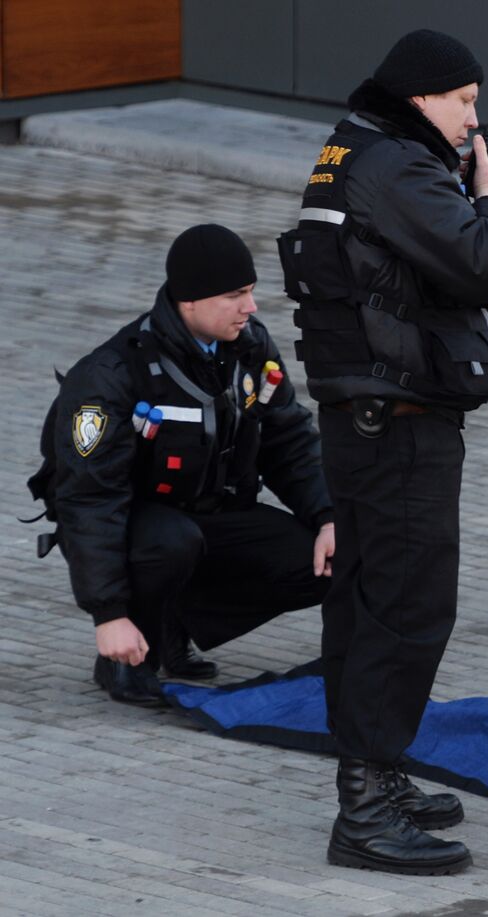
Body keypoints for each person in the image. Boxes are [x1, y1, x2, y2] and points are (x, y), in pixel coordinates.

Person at [278, 28, 488, 875]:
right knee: (409, 606)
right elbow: (479, 261)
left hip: (361, 415)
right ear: (421, 96)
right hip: (401, 420)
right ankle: (367, 807)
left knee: (365, 597)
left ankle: (374, 772)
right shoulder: (398, 166)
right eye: (463, 101)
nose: (473, 118)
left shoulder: (351, 149)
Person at [29, 224, 334, 706]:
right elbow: (89, 499)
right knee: (172, 543)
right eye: (235, 295)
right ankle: (125, 657)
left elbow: (289, 442)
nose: (251, 307)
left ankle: (175, 622)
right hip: (134, 525)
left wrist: (328, 516)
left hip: (210, 514)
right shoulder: (112, 374)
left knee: (329, 560)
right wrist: (108, 613)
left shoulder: (250, 348)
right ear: (188, 301)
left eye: (250, 291)